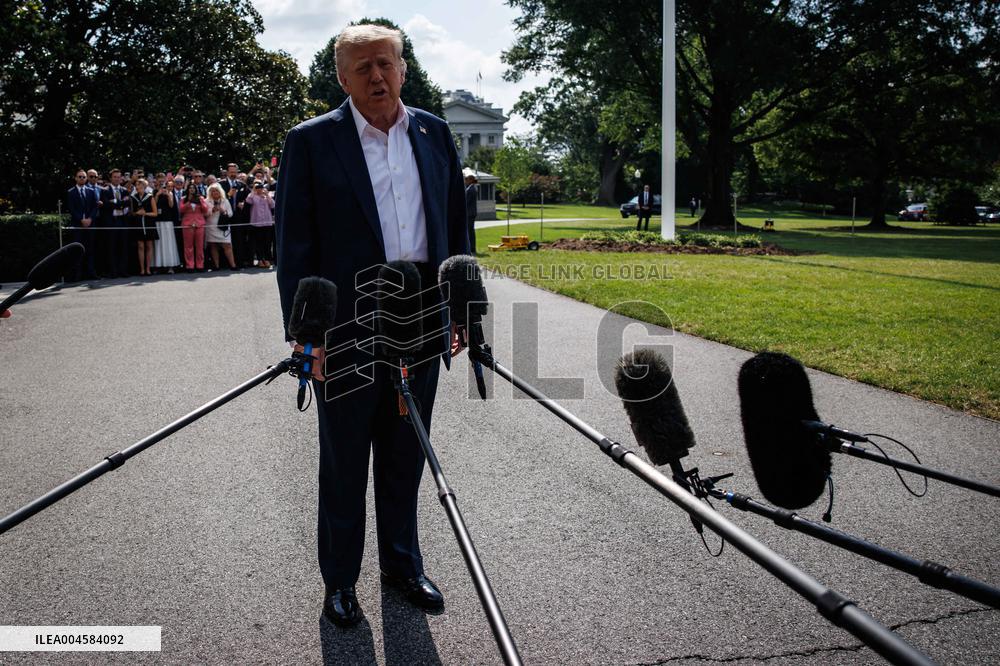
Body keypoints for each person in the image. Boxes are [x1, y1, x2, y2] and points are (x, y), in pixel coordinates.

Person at [275, 23, 469, 628]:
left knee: (406, 451)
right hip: (348, 322)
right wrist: (309, 337)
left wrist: (460, 309)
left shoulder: (434, 134)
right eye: (362, 69)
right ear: (342, 78)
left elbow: (455, 230)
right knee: (344, 459)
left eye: (385, 64)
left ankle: (403, 567)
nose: (377, 77)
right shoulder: (310, 142)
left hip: (419, 313)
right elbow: (294, 247)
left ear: (403, 68)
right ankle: (340, 582)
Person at [66, 169, 100, 281]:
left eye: (84, 177)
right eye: (80, 177)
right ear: (75, 178)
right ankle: (77, 275)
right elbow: (72, 209)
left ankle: (92, 273)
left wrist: (90, 219)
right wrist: (81, 219)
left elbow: (95, 207)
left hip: (90, 225)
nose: (82, 178)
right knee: (77, 250)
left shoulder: (91, 191)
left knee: (90, 249)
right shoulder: (71, 192)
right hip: (78, 225)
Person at [99, 169, 130, 278]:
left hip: (122, 221)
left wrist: (115, 202)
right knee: (111, 247)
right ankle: (113, 272)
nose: (117, 179)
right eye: (115, 177)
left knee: (123, 247)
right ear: (111, 178)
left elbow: (127, 203)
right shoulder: (105, 190)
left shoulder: (125, 190)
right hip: (111, 222)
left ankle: (123, 271)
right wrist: (120, 203)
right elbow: (106, 205)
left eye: (119, 177)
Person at [178, 181, 209, 271]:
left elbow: (205, 209)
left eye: (193, 188)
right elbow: (181, 210)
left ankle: (200, 265)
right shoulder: (183, 199)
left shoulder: (200, 198)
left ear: (196, 189)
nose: (192, 189)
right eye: (190, 188)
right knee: (188, 246)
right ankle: (189, 265)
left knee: (199, 246)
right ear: (187, 190)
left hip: (199, 223)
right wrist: (189, 202)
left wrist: (200, 201)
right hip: (187, 224)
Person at [130, 178, 158, 276]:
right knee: (140, 246)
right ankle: (142, 269)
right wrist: (137, 213)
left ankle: (148, 268)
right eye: (136, 185)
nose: (137, 187)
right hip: (138, 224)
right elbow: (132, 213)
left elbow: (155, 213)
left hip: (149, 223)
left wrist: (145, 213)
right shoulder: (133, 198)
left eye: (140, 185)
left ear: (144, 186)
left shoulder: (150, 197)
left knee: (149, 246)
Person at [204, 182, 236, 270]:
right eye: (213, 191)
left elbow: (230, 214)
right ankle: (216, 266)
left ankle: (233, 265)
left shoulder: (225, 200)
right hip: (211, 226)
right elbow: (204, 214)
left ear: (220, 191)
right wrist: (212, 211)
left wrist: (223, 211)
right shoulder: (206, 201)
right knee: (213, 245)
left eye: (216, 191)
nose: (215, 193)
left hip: (223, 227)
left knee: (228, 245)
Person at [153, 177, 180, 274]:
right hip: (158, 222)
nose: (162, 186)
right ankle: (158, 266)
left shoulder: (170, 193)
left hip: (168, 221)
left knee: (169, 243)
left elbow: (172, 205)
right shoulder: (154, 192)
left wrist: (168, 195)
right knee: (158, 244)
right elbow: (154, 206)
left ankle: (170, 266)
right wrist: (157, 195)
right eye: (160, 184)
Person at [245, 181, 274, 268]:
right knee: (258, 243)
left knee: (267, 243)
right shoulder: (252, 196)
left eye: (261, 188)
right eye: (258, 188)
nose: (259, 190)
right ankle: (260, 260)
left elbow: (273, 205)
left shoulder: (268, 196)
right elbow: (248, 201)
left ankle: (267, 259)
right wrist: (253, 191)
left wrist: (267, 195)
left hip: (267, 223)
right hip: (256, 223)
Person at [464, 174, 478, 253]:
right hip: (470, 212)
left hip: (470, 213)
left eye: (466, 179)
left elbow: (466, 202)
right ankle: (471, 248)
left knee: (470, 231)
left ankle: (472, 248)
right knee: (470, 231)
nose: (465, 181)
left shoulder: (471, 189)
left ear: (470, 180)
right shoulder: (470, 188)